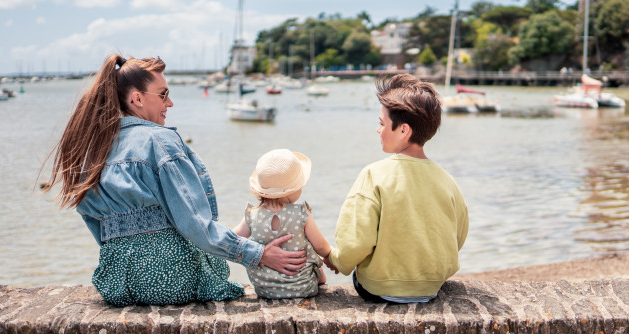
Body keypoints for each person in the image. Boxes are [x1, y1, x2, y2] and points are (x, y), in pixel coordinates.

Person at [42, 55, 306, 306]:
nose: (170, 103)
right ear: (137, 99)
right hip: (173, 280)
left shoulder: (93, 148)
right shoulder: (160, 141)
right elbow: (195, 225)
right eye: (164, 94)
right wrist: (258, 254)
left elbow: (92, 220)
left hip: (116, 282)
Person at [327, 74, 468, 303]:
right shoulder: (447, 180)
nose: (378, 130)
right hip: (431, 287)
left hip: (379, 288)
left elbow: (356, 242)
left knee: (359, 276)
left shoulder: (373, 175)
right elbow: (458, 236)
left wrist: (336, 259)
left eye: (382, 123)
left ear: (403, 130)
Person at [232, 149, 332, 299]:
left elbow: (233, 240)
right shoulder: (301, 213)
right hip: (303, 287)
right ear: (291, 190)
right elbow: (320, 246)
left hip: (265, 290)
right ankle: (319, 277)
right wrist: (330, 257)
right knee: (308, 249)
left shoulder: (252, 215)